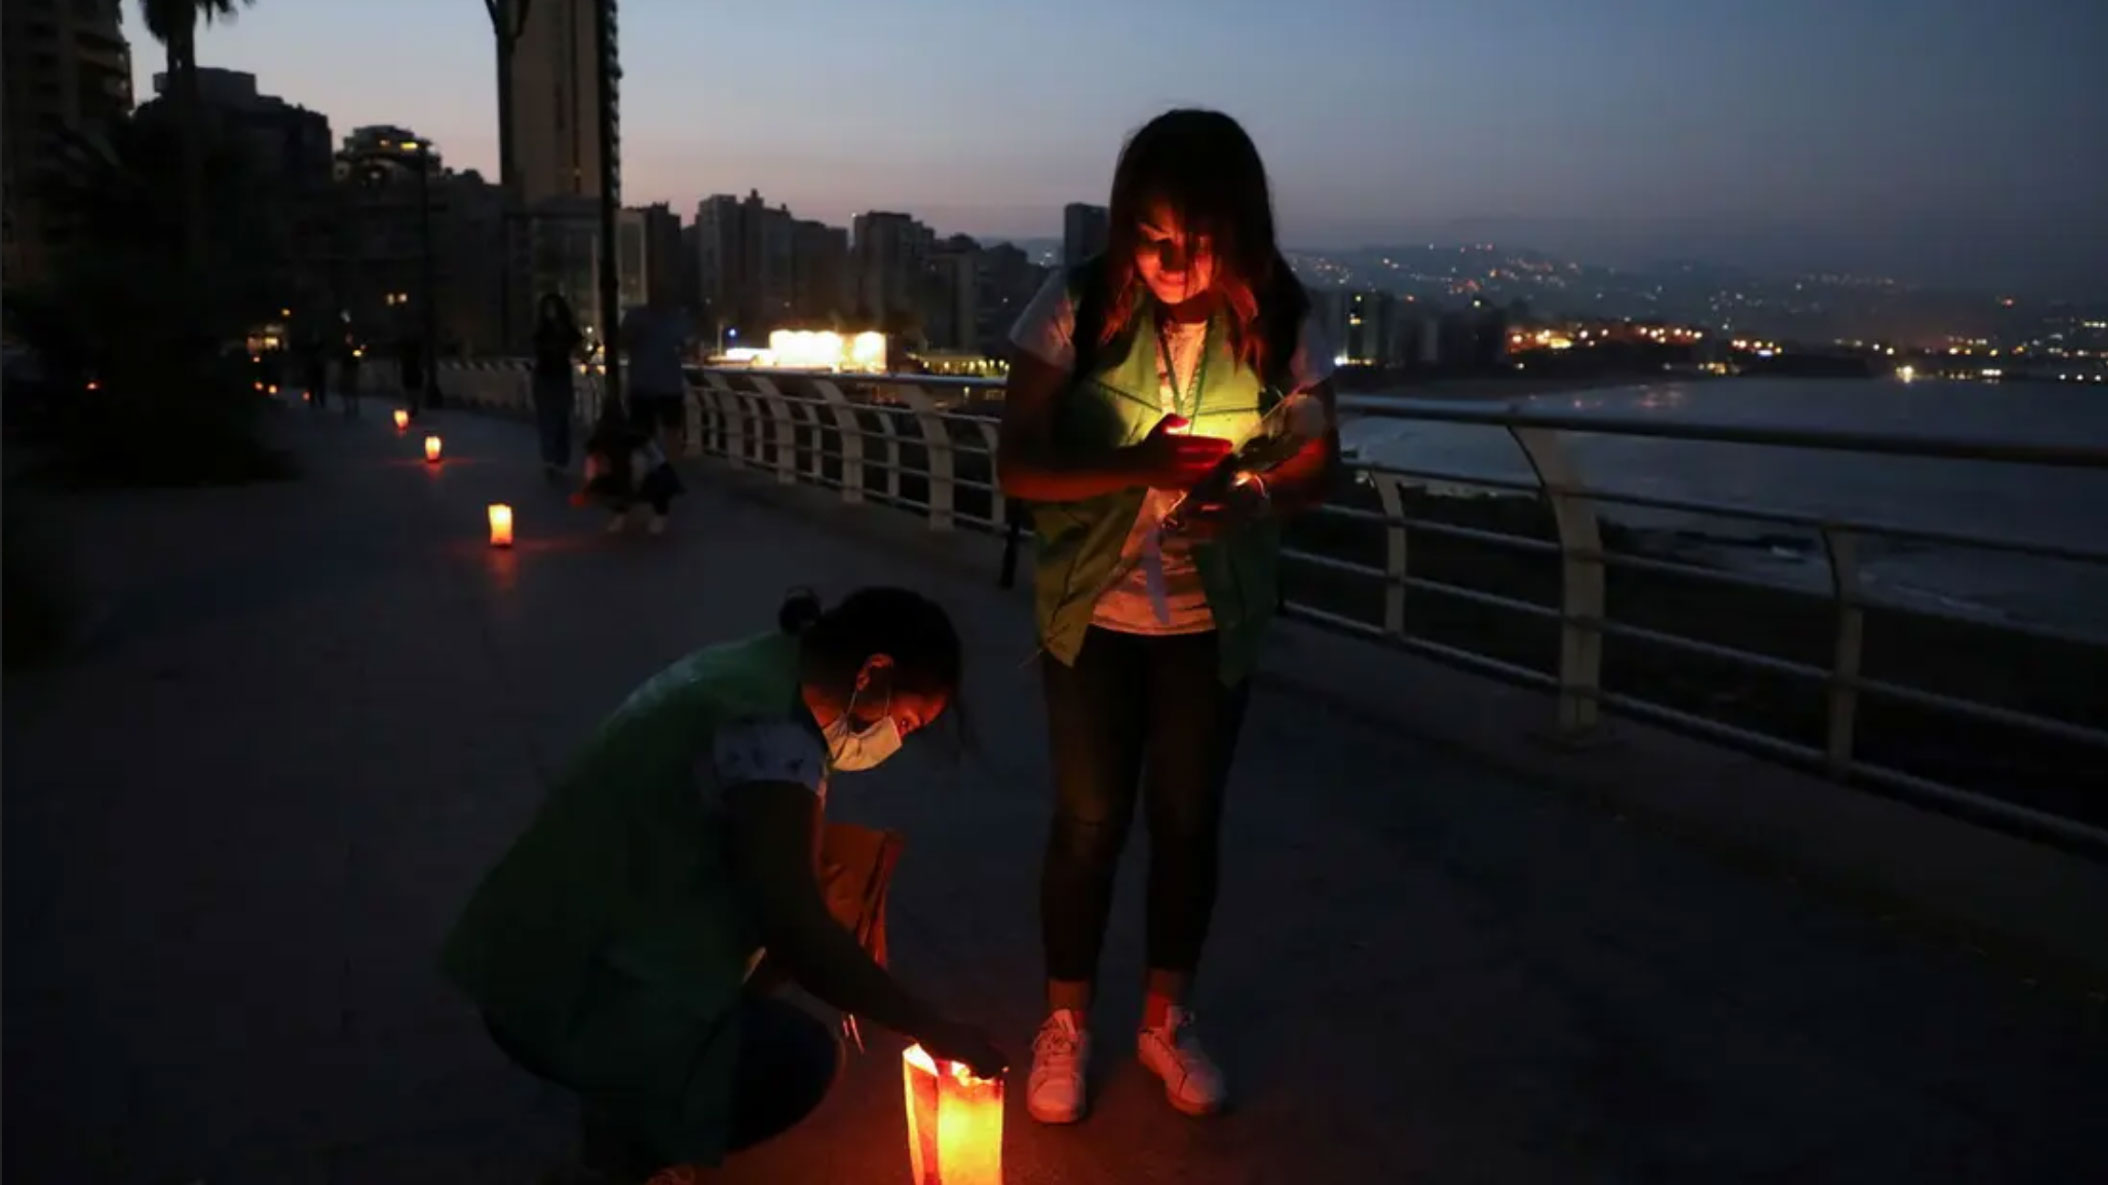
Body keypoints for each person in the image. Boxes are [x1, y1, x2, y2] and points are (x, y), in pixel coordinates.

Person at [995, 108, 1340, 1125]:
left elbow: (1324, 461)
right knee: (1088, 825)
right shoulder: (1073, 306)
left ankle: (1164, 1020)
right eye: (1149, 236)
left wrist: (1256, 499)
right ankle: (1064, 1025)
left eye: (1194, 238)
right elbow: (1017, 464)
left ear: (1238, 229)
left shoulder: (1281, 319)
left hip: (1211, 620)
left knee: (1188, 826)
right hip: (1091, 615)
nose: (1171, 260)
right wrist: (1136, 467)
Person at [441, 587, 1006, 1182]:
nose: (895, 738)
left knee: (759, 972)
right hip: (564, 981)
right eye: (906, 721)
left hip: (522, 948)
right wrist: (934, 1027)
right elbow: (796, 932)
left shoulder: (751, 670)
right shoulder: (775, 734)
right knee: (796, 1059)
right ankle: (631, 1141)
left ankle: (630, 1100)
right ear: (873, 674)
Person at [575, 416, 683, 536]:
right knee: (612, 485)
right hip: (625, 470)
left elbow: (641, 469)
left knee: (656, 486)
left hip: (652, 471)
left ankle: (660, 515)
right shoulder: (599, 447)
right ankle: (620, 513)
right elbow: (592, 471)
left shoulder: (636, 445)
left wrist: (631, 491)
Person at [620, 291, 689, 456]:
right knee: (669, 431)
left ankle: (653, 469)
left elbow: (621, 343)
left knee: (645, 434)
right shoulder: (677, 318)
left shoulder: (635, 316)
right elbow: (688, 346)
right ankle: (667, 471)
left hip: (644, 383)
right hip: (665, 384)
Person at [532, 293, 585, 482]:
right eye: (548, 308)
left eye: (553, 308)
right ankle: (550, 461)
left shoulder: (567, 330)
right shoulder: (542, 330)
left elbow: (581, 352)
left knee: (561, 420)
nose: (551, 312)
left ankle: (558, 461)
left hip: (561, 377)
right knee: (548, 420)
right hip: (545, 378)